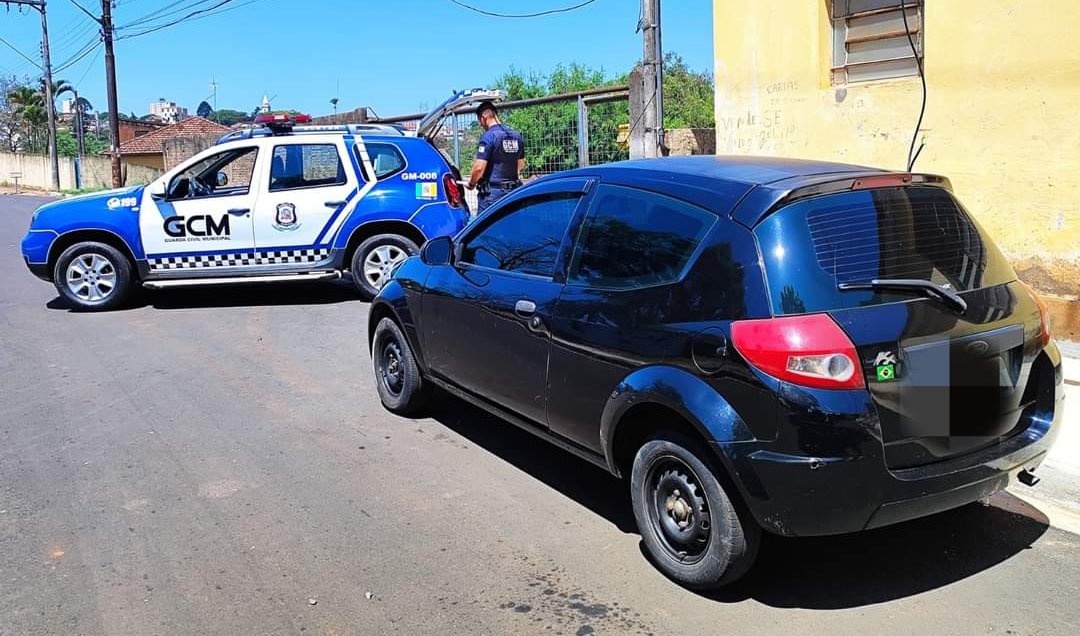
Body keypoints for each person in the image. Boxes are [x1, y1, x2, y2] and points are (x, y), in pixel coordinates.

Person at [466, 101, 525, 212]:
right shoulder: (517, 136)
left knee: (487, 223)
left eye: (479, 120)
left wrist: (472, 183)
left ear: (483, 117)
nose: (481, 124)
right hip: (513, 192)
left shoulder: (489, 136)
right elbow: (521, 164)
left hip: (492, 194)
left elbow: (479, 168)